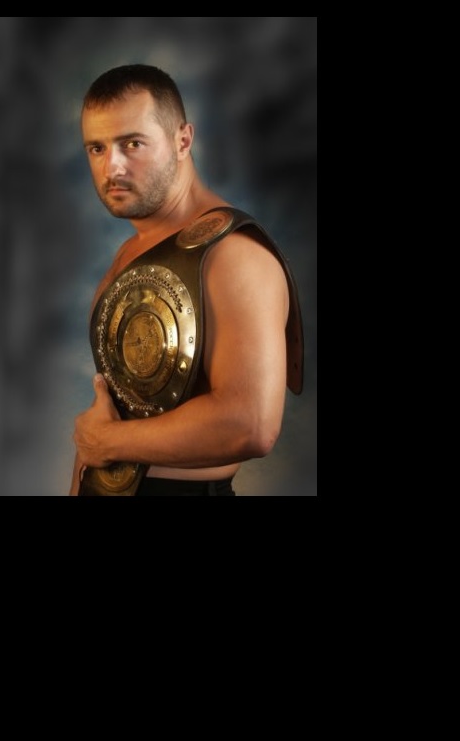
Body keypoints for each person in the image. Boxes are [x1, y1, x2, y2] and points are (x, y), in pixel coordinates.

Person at [71, 64, 304, 497]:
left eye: (132, 143)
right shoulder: (131, 251)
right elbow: (111, 415)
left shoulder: (234, 255)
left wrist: (107, 442)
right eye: (97, 148)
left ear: (183, 140)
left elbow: (251, 424)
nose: (111, 167)